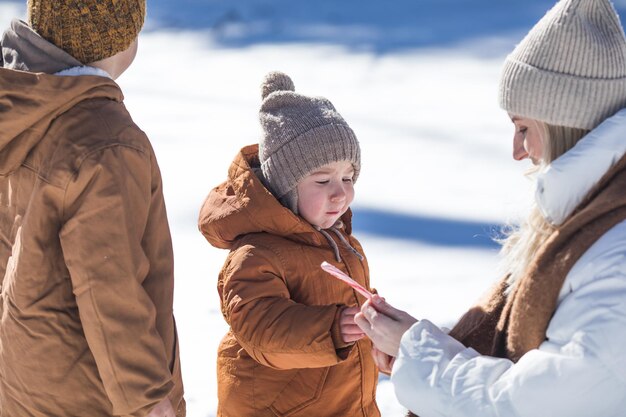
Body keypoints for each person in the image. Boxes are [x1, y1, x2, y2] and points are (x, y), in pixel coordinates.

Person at [354, 0, 626, 416]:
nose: (517, 151)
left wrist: (422, 356)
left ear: (565, 123)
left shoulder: (615, 252)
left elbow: (538, 404)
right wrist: (427, 350)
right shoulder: (593, 217)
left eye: (523, 128)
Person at [0, 1, 184, 416]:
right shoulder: (106, 143)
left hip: (22, 377)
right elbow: (109, 283)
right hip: (90, 392)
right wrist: (149, 399)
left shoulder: (20, 105)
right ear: (123, 37)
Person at [198, 71, 380, 416]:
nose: (340, 192)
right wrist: (331, 327)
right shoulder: (256, 254)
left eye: (347, 177)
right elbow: (259, 328)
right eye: (323, 180)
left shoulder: (339, 243)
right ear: (284, 187)